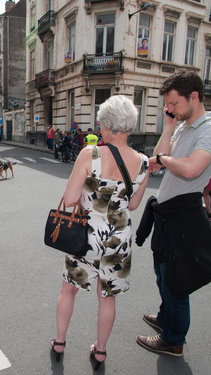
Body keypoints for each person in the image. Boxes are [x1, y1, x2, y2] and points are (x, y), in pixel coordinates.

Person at [52, 95, 149, 370]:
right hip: (118, 237)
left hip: (86, 235)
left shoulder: (89, 154)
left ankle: (59, 342)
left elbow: (70, 200)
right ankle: (101, 351)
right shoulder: (143, 161)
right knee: (107, 296)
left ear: (106, 126)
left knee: (68, 290)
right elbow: (132, 204)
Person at [136, 70, 211, 356]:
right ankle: (165, 320)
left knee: (176, 281)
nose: (169, 108)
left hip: (184, 216)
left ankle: (174, 339)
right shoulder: (185, 127)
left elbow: (190, 168)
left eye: (173, 103)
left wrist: (162, 158)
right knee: (162, 273)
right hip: (167, 214)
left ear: (193, 97)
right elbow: (160, 163)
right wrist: (168, 126)